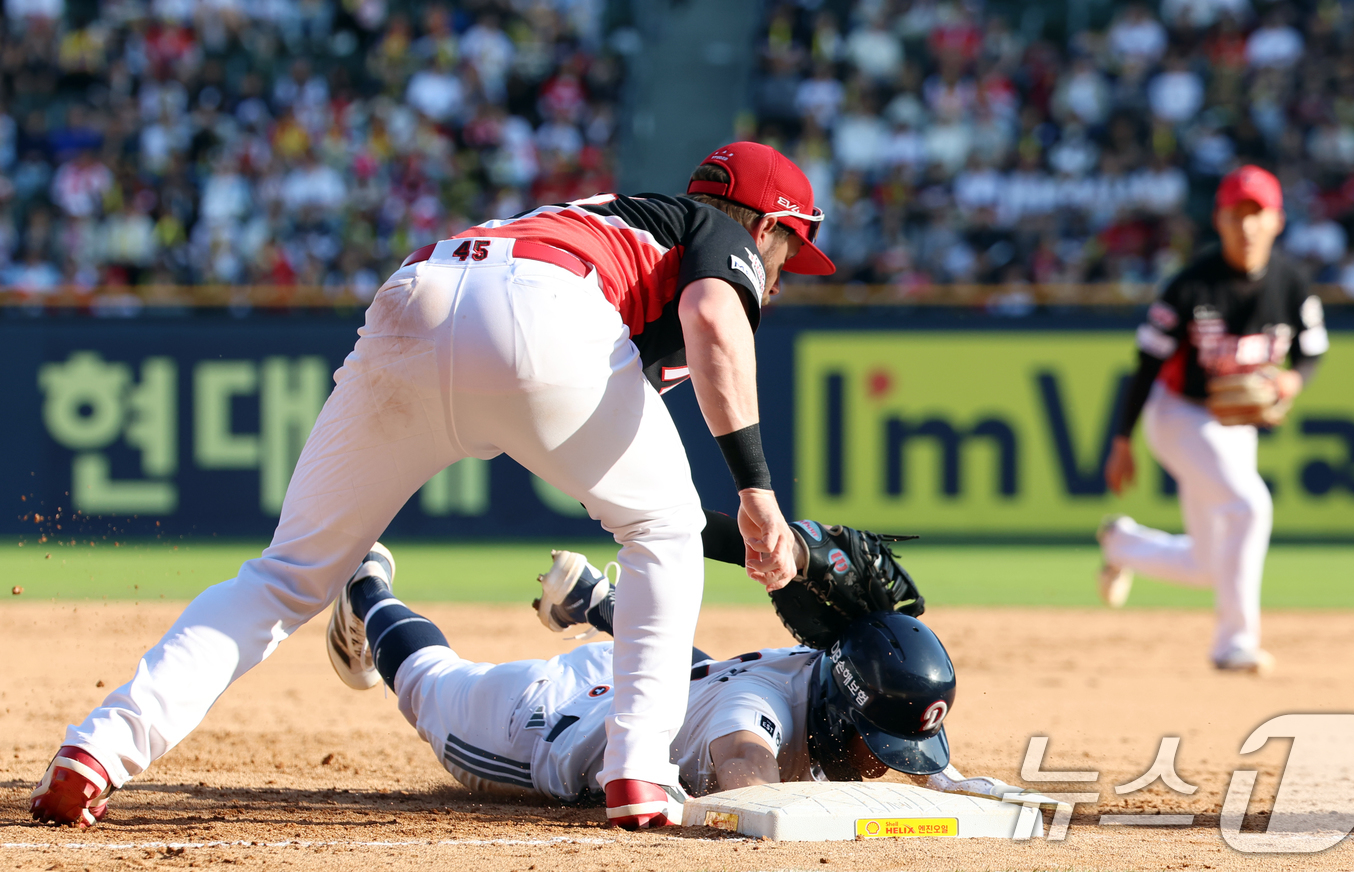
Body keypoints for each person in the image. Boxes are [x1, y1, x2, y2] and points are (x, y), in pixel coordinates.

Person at [30, 142, 834, 829]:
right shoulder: (714, 234)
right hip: (543, 306)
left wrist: (756, 530)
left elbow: (640, 433)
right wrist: (758, 491)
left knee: (285, 576)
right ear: (765, 225)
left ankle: (97, 748)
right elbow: (714, 318)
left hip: (425, 292)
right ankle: (639, 771)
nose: (784, 271)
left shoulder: (624, 227)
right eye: (790, 251)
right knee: (661, 534)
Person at [324, 544, 958, 812]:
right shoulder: (756, 710)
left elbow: (933, 772)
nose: (881, 765)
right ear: (839, 712)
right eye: (871, 745)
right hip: (553, 721)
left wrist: (953, 784)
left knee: (692, 679)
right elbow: (752, 784)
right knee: (432, 687)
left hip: (666, 681)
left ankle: (602, 603)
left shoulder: (828, 677)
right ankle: (367, 588)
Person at [1098, 165, 1328, 675]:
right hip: (1180, 415)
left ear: (1277, 221)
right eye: (1236, 213)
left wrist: (1292, 381)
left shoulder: (1290, 282)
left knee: (1209, 564)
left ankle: (1120, 543)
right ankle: (1234, 642)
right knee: (1251, 505)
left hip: (1235, 428)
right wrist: (1121, 439)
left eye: (1257, 213)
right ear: (1219, 221)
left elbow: (1312, 351)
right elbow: (1146, 364)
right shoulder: (1191, 285)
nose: (1247, 225)